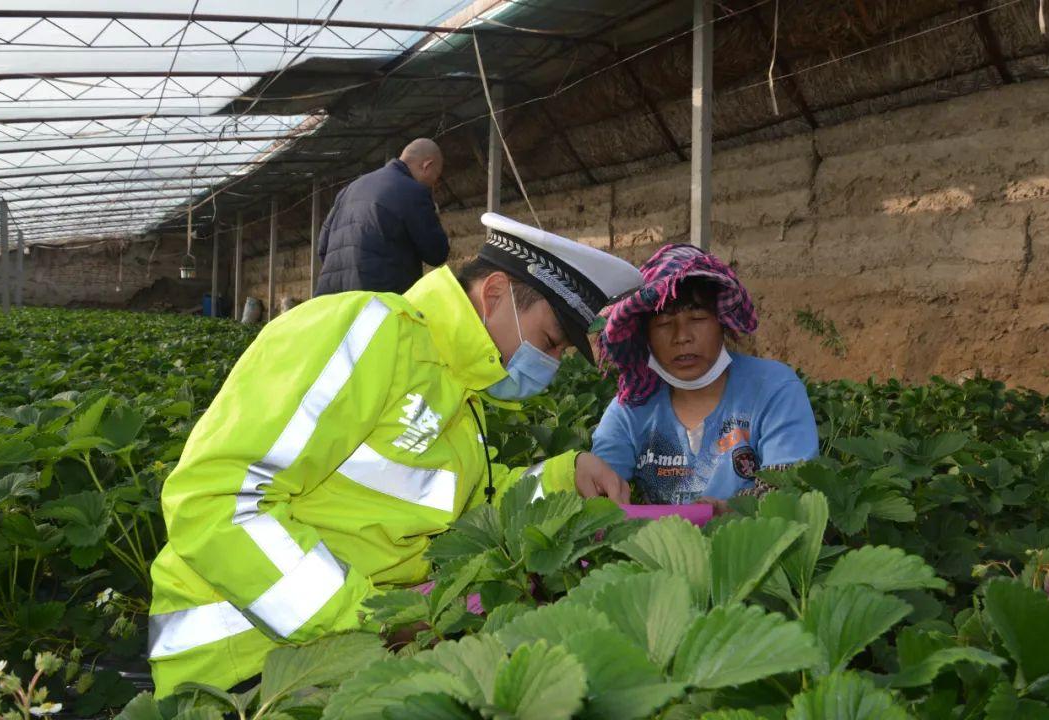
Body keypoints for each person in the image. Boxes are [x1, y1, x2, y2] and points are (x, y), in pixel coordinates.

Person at [147, 213, 642, 697]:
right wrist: (375, 624)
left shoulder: (461, 392)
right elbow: (218, 500)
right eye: (551, 341)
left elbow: (467, 513)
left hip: (342, 645)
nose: (551, 364)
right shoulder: (365, 333)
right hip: (244, 664)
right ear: (494, 295)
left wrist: (563, 475)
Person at [591, 244, 819, 511]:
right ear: (645, 336)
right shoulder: (630, 408)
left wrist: (729, 510)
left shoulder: (773, 388)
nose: (682, 337)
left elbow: (789, 487)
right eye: (664, 323)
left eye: (698, 317)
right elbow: (601, 491)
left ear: (722, 322)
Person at [315, 138, 449, 295]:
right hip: (378, 302)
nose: (434, 183)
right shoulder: (412, 191)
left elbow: (322, 247)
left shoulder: (349, 189)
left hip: (334, 299)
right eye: (436, 176)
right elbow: (436, 254)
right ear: (427, 165)